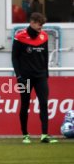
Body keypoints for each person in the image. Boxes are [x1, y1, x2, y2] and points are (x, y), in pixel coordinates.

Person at [12, 12, 58, 144]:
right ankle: (25, 134)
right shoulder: (19, 37)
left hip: (40, 76)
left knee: (44, 103)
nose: (41, 27)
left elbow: (45, 56)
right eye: (39, 24)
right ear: (32, 22)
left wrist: (46, 73)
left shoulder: (44, 36)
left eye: (42, 25)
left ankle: (44, 135)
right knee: (25, 104)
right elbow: (14, 58)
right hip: (25, 77)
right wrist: (18, 76)